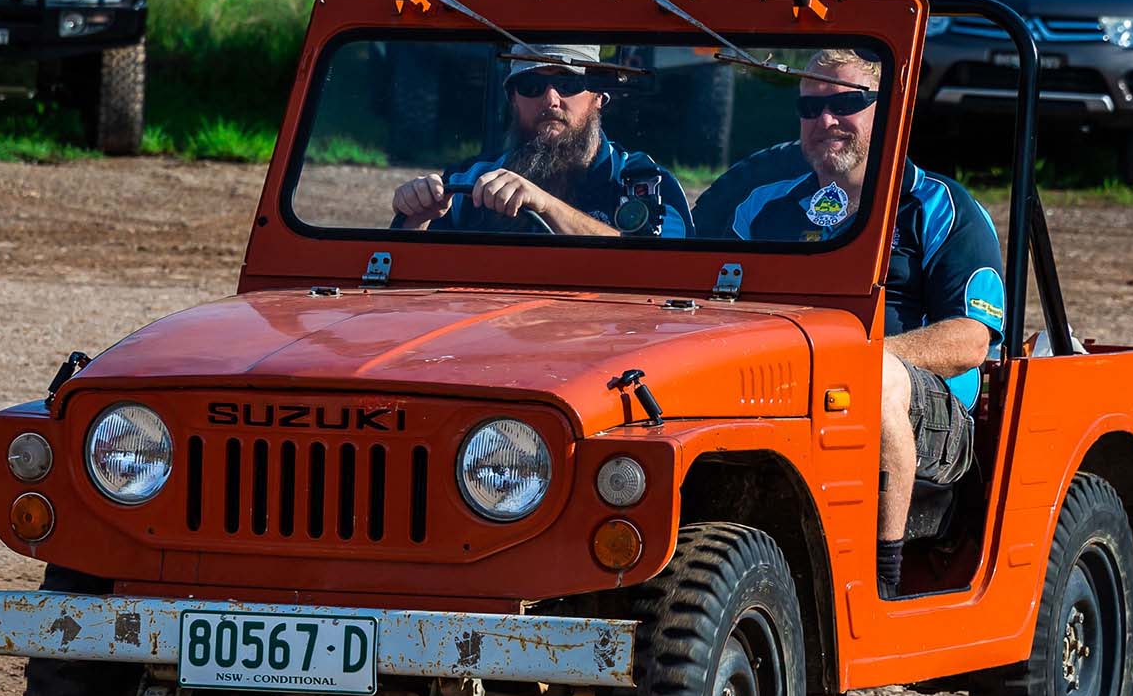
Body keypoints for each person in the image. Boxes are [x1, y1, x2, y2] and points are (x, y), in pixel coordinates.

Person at [694, 48, 1005, 598]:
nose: (825, 120)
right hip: (783, 385)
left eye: (846, 104)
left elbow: (970, 340)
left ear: (889, 112)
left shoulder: (940, 206)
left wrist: (851, 360)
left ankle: (880, 583)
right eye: (810, 107)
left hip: (926, 410)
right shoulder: (762, 206)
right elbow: (692, 288)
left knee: (872, 379)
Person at [390, 44, 691, 237]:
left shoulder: (647, 184)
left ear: (598, 96)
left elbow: (666, 269)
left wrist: (546, 205)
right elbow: (411, 287)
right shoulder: (466, 184)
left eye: (568, 83)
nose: (551, 99)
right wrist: (416, 217)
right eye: (531, 85)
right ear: (513, 99)